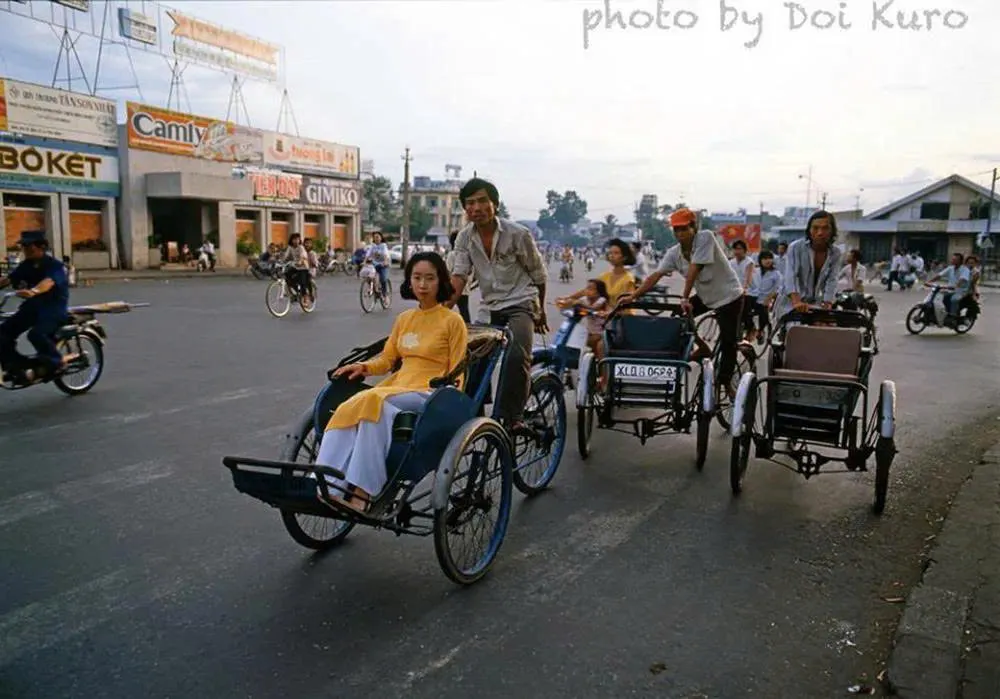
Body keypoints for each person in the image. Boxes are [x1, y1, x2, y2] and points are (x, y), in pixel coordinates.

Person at [315, 252, 467, 512]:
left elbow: (458, 372)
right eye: (417, 278)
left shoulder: (452, 321)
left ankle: (361, 495)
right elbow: (387, 360)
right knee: (358, 407)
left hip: (430, 392)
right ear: (409, 281)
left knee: (373, 401)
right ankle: (325, 485)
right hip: (398, 387)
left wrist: (445, 395)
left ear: (441, 281)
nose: (422, 285)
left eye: (430, 278)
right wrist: (363, 366)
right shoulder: (405, 319)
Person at [448, 177, 548, 432]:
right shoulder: (464, 238)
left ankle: (512, 417)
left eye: (482, 201)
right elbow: (459, 276)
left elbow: (538, 275)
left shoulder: (518, 234)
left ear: (495, 204)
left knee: (516, 354)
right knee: (469, 354)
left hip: (521, 303)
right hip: (489, 306)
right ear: (465, 209)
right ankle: (475, 413)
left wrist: (541, 311)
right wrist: (440, 311)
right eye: (470, 203)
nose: (476, 207)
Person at [621, 208, 745, 393]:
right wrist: (633, 296)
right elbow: (655, 276)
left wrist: (685, 297)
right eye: (676, 230)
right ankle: (702, 346)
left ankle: (726, 382)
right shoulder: (674, 253)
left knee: (728, 341)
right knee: (678, 317)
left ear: (693, 227)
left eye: (684, 229)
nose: (680, 234)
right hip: (707, 296)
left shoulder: (705, 237)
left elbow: (694, 268)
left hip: (729, 296)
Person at [0, 230, 72, 384]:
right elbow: (7, 280)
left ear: (41, 247)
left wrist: (34, 291)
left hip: (53, 309)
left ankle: (57, 362)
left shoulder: (55, 266)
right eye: (23, 246)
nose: (25, 249)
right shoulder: (26, 265)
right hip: (33, 307)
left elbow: (48, 282)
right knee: (3, 332)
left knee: (36, 334)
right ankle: (17, 365)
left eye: (28, 246)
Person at [773, 210, 844, 321]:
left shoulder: (835, 253)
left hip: (814, 304)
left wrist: (828, 303)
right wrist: (796, 301)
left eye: (825, 228)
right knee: (793, 332)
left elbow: (832, 280)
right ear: (809, 230)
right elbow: (791, 276)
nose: (820, 233)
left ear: (832, 231)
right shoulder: (796, 247)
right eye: (815, 228)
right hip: (790, 304)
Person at [556, 237, 636, 311]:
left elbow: (628, 303)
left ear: (624, 257)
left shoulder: (628, 279)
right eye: (610, 253)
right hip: (605, 318)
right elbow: (587, 291)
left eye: (616, 253)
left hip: (623, 319)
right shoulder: (605, 276)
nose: (611, 255)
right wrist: (569, 298)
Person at [749, 250, 782, 344]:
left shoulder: (776, 274)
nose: (768, 261)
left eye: (770, 258)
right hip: (753, 295)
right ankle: (750, 328)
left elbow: (778, 289)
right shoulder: (755, 271)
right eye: (765, 258)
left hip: (766, 299)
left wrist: (769, 297)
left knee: (763, 308)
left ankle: (761, 330)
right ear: (760, 260)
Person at [926, 252, 970, 320]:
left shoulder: (965, 269)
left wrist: (956, 286)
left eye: (955, 259)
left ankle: (953, 317)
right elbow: (939, 275)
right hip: (950, 290)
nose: (952, 260)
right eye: (952, 259)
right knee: (938, 297)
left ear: (960, 261)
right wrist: (929, 282)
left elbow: (962, 279)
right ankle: (941, 314)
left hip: (961, 291)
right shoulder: (950, 268)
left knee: (954, 300)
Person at [446, 230, 474, 324]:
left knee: (446, 308)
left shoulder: (452, 255)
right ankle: (467, 328)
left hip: (453, 286)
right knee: (464, 310)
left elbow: (449, 271)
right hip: (465, 288)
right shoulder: (468, 255)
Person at [282, 233, 312, 301]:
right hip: (295, 266)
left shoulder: (301, 247)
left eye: (298, 239)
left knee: (302, 282)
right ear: (291, 240)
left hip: (303, 267)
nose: (296, 241)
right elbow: (286, 256)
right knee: (287, 275)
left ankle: (305, 297)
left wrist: (300, 261)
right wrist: (281, 261)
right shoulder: (290, 247)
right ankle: (295, 292)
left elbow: (303, 255)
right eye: (294, 239)